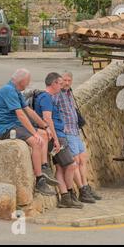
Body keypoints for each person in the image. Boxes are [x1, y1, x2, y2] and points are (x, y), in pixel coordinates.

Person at [0, 69, 59, 196]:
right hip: (5, 128)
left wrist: (45, 127)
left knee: (44, 135)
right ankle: (40, 179)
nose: (28, 85)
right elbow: (21, 115)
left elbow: (29, 111)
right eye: (27, 82)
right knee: (36, 142)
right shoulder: (8, 90)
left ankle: (44, 166)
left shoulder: (16, 91)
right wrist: (34, 134)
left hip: (15, 126)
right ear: (21, 81)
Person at [34, 72, 83, 209]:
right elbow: (47, 119)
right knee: (71, 165)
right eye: (60, 83)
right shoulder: (46, 98)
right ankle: (68, 195)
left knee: (62, 168)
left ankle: (66, 197)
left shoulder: (48, 97)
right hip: (58, 137)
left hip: (60, 135)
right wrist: (55, 139)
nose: (61, 86)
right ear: (54, 83)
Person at [53, 71, 101, 203]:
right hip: (67, 131)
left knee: (82, 158)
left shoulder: (69, 93)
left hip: (75, 130)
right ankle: (82, 190)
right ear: (59, 81)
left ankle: (85, 186)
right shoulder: (57, 94)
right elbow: (52, 106)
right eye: (64, 80)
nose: (67, 83)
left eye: (69, 80)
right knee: (75, 161)